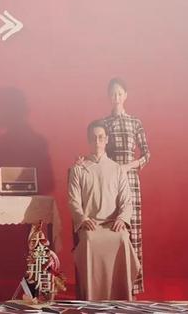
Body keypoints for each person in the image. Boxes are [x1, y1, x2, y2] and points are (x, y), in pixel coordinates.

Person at [68, 120, 140, 301]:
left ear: (107, 139)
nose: (97, 141)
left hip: (113, 224)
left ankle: (122, 296)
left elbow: (126, 201)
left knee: (122, 238)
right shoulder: (79, 169)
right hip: (90, 225)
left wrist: (122, 219)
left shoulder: (117, 170)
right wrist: (83, 219)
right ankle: (92, 299)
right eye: (93, 138)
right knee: (90, 240)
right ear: (88, 140)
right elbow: (73, 200)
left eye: (101, 137)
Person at [102, 77, 150, 295]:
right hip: (110, 181)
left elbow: (147, 154)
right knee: (114, 229)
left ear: (126, 95)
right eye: (113, 93)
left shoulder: (135, 123)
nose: (116, 97)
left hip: (130, 180)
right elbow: (100, 153)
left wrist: (129, 166)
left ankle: (134, 285)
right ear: (108, 96)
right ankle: (114, 284)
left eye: (120, 93)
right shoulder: (104, 123)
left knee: (133, 232)